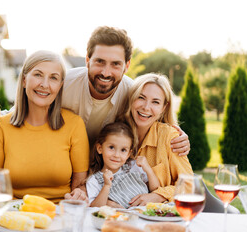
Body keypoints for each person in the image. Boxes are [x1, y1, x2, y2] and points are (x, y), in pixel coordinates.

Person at [62, 26, 190, 154]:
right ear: (87, 60)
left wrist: (178, 136)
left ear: (127, 66)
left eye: (115, 64)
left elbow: (154, 115)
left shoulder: (134, 93)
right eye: (100, 61)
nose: (106, 73)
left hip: (106, 167)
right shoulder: (64, 84)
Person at [0, 50, 89, 203]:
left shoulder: (74, 125)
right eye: (38, 75)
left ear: (60, 86)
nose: (44, 84)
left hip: (59, 214)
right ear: (24, 80)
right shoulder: (2, 126)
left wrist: (80, 193)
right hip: (15, 214)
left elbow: (80, 185)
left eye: (53, 78)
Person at [118, 73, 193, 206]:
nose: (146, 107)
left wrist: (158, 196)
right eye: (141, 98)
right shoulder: (116, 133)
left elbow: (189, 184)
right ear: (131, 99)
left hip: (159, 216)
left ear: (163, 108)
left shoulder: (169, 136)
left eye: (155, 102)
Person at [86, 122, 160, 208]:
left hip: (146, 214)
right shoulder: (94, 180)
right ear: (100, 148)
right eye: (111, 147)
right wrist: (106, 186)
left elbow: (155, 189)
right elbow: (94, 207)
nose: (116, 155)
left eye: (123, 150)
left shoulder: (133, 167)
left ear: (129, 154)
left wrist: (148, 169)